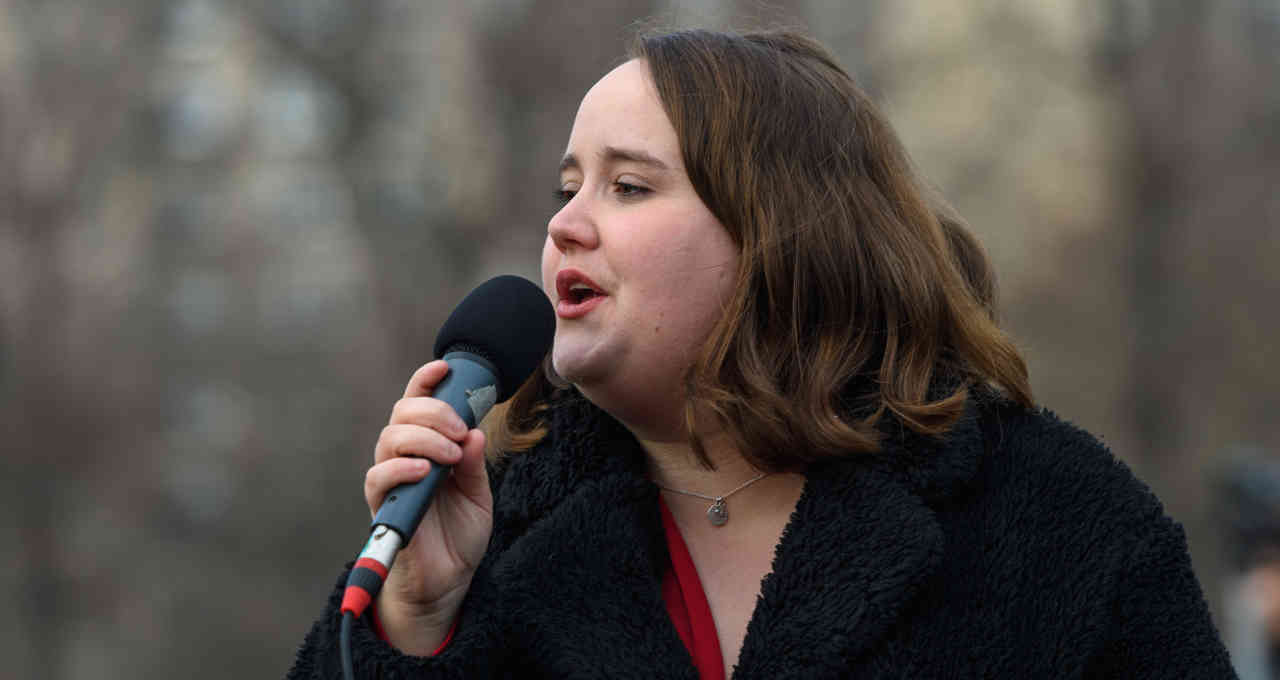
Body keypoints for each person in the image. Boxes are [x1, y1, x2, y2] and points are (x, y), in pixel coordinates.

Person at [288, 28, 1236, 679]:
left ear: (780, 234)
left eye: (628, 186)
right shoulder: (499, 533)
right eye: (565, 188)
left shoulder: (1053, 515)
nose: (566, 227)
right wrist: (414, 629)